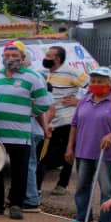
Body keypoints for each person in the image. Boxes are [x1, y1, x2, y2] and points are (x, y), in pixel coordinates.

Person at [0, 41, 50, 219]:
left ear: (22, 57)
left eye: (15, 55)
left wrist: (28, 114)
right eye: (7, 55)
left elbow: (44, 104)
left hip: (20, 134)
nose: (10, 58)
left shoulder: (32, 77)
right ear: (2, 57)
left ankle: (16, 205)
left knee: (19, 171)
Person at [65, 67, 111, 222]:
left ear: (110, 84)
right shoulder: (84, 100)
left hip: (106, 154)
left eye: (100, 82)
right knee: (82, 186)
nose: (96, 84)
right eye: (93, 81)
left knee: (107, 189)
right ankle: (82, 217)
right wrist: (70, 146)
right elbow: (74, 124)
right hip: (83, 151)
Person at [42, 45, 88, 195]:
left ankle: (62, 184)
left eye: (49, 56)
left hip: (67, 120)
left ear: (58, 58)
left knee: (68, 152)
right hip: (49, 121)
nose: (46, 58)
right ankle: (37, 186)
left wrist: (79, 101)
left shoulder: (71, 72)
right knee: (45, 153)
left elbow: (92, 86)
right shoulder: (44, 73)